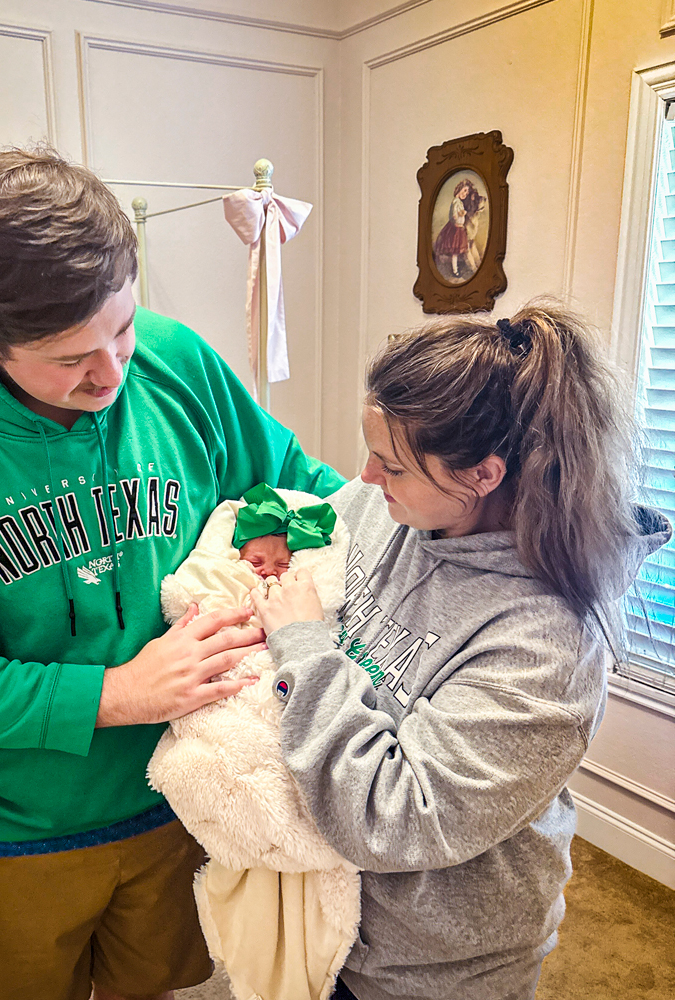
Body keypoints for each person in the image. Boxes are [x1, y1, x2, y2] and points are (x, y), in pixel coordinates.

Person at [0, 147, 344, 1000]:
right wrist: (117, 694)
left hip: (176, 794)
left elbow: (298, 486)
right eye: (71, 359)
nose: (112, 373)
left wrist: (319, 534)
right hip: (9, 832)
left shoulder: (174, 362)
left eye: (124, 328)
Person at [249, 302, 672, 1000]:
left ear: (482, 474)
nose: (366, 477)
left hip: (429, 967)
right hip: (325, 920)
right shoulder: (393, 507)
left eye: (391, 465)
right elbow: (333, 521)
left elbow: (394, 816)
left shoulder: (548, 650)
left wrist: (301, 645)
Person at [148, 483, 359, 1000]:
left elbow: (321, 619)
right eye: (256, 559)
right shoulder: (228, 584)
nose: (267, 571)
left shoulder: (300, 586)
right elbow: (192, 599)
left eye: (281, 563)